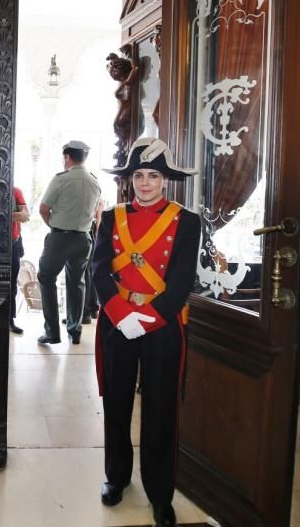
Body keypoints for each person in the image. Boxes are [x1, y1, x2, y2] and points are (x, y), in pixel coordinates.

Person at [91, 137, 200, 527]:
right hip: (119, 322)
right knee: (117, 402)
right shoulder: (110, 218)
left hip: (162, 324)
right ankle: (116, 477)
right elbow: (99, 270)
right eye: (138, 175)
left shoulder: (187, 221)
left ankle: (159, 492)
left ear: (166, 180)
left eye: (153, 175)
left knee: (160, 409)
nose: (145, 183)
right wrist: (121, 314)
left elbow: (183, 280)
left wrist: (149, 317)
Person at [36, 140, 101, 345]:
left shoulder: (61, 179)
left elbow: (43, 209)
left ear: (67, 157)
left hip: (60, 237)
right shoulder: (94, 181)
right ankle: (75, 331)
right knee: (77, 283)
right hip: (83, 239)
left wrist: (53, 227)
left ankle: (52, 332)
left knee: (46, 278)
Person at [9, 186, 30, 335]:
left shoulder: (16, 191)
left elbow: (25, 216)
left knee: (12, 284)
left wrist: (3, 215)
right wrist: (15, 215)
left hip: (13, 242)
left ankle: (10, 319)